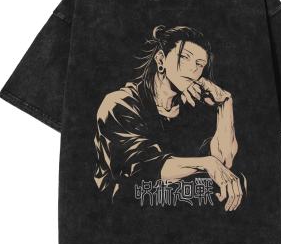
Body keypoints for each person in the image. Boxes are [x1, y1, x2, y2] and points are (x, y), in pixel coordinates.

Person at [93, 25, 246, 211]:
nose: (193, 68)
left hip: (180, 209)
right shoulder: (120, 103)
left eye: (200, 64)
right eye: (185, 57)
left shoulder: (193, 107)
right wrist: (207, 164)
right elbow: (145, 166)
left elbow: (224, 166)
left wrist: (225, 104)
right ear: (161, 60)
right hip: (125, 210)